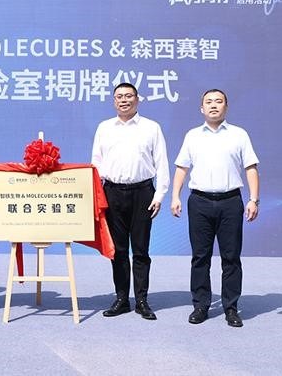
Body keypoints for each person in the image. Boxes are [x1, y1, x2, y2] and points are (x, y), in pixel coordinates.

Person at [170, 89, 259, 328]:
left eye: (218, 101)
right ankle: (201, 305)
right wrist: (175, 196)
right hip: (199, 202)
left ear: (225, 107)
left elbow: (251, 167)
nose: (213, 105)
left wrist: (254, 199)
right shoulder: (192, 136)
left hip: (230, 202)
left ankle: (231, 307)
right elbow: (181, 168)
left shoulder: (239, 135)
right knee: (200, 257)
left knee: (231, 257)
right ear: (202, 108)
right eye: (208, 102)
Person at [91, 82, 170, 320]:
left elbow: (162, 163)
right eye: (119, 97)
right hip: (112, 193)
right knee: (118, 250)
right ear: (114, 101)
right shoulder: (104, 128)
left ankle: (142, 300)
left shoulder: (151, 127)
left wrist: (159, 195)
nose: (123, 100)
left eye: (128, 96)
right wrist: (97, 195)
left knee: (141, 250)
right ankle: (122, 299)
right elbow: (96, 163)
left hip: (143, 193)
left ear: (137, 99)